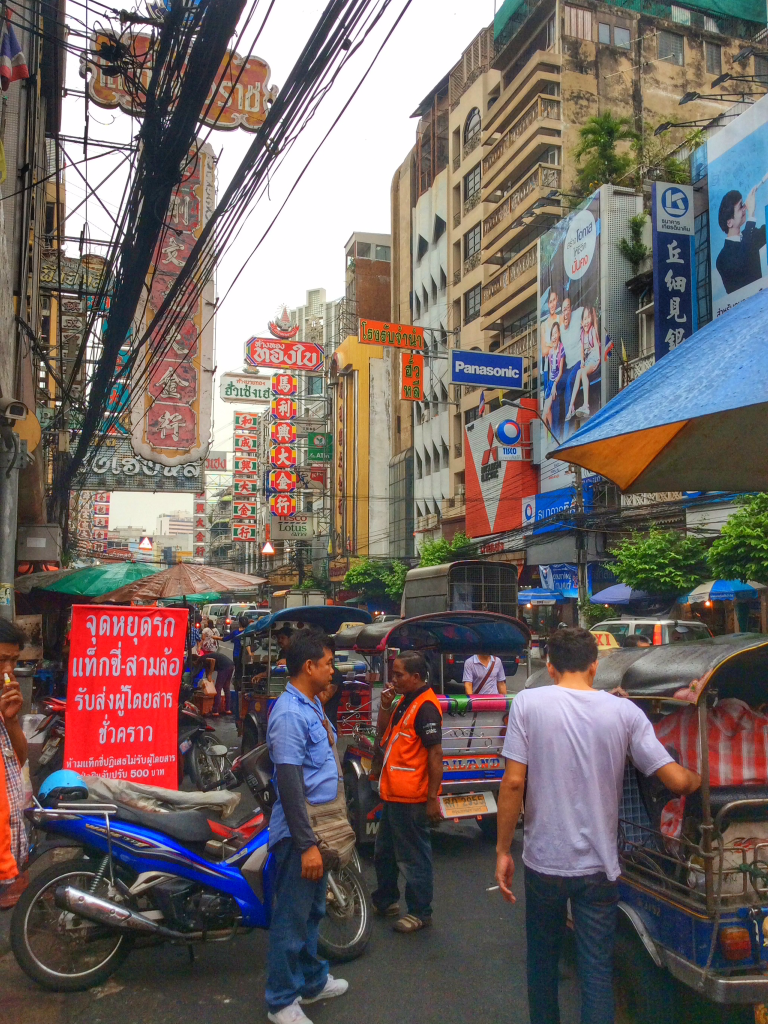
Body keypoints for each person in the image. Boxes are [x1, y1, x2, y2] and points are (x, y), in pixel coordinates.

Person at [495, 627, 700, 1024]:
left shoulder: (527, 703)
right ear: (596, 665)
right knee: (596, 973)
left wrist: (503, 850)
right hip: (599, 868)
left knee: (542, 964)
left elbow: (514, 782)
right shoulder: (624, 712)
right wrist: (700, 780)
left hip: (543, 864)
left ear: (550, 667)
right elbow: (674, 780)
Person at [265, 630, 348, 1024]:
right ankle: (281, 1001)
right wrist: (307, 846)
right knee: (292, 919)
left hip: (319, 827)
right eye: (329, 663)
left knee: (314, 912)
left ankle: (312, 982)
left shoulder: (310, 704)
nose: (334, 670)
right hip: (301, 834)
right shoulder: (289, 714)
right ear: (309, 666)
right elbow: (289, 784)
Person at [370, 651, 443, 934]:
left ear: (416, 677)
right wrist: (386, 708)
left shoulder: (425, 707)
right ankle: (386, 899)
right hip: (393, 793)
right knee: (384, 852)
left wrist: (432, 798)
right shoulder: (403, 701)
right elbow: (383, 736)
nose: (394, 679)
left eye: (399, 675)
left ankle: (421, 911)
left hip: (411, 797)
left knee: (413, 858)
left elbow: (435, 754)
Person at [0, 620, 29, 910]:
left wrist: (11, 721)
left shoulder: (2, 706)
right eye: (1, 660)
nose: (9, 671)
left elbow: (17, 762)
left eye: (14, 660)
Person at [716, 185, 767, 294]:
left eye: (743, 204)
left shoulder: (749, 236)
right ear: (729, 222)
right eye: (740, 207)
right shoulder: (722, 258)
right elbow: (745, 258)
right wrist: (751, 215)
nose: (745, 208)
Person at [566, 306, 600, 422]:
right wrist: (582, 361)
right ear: (581, 322)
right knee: (579, 373)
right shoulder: (582, 334)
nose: (586, 321)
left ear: (591, 319)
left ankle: (586, 405)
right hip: (588, 359)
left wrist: (597, 361)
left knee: (583, 372)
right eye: (584, 319)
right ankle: (571, 406)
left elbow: (596, 347)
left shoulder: (592, 331)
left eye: (588, 318)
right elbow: (582, 352)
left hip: (594, 358)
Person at [542, 321, 565, 437]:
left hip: (557, 382)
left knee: (547, 410)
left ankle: (553, 436)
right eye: (552, 334)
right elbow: (551, 371)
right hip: (551, 383)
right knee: (545, 413)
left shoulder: (561, 349)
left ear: (559, 334)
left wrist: (555, 384)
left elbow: (560, 371)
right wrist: (550, 386)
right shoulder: (551, 352)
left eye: (556, 333)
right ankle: (551, 437)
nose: (554, 336)